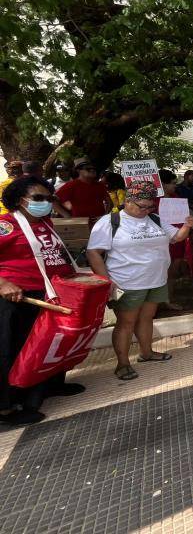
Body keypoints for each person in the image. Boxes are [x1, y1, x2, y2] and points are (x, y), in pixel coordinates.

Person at [86, 181, 193, 381]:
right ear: (128, 201)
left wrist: (187, 226)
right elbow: (93, 252)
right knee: (126, 322)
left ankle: (147, 353)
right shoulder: (110, 221)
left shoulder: (155, 218)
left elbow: (177, 237)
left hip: (156, 280)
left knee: (147, 318)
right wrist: (106, 280)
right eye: (141, 206)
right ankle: (123, 364)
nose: (145, 210)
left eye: (149, 206)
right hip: (126, 283)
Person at [0, 176, 85, 425]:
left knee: (47, 344)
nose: (46, 203)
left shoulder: (45, 222)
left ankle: (49, 386)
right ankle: (6, 407)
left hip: (49, 292)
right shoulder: (6, 225)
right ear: (20, 200)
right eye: (38, 198)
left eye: (49, 198)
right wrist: (3, 283)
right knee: (12, 349)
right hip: (17, 296)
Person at [156, 169, 192, 310]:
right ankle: (155, 302)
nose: (175, 186)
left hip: (177, 239)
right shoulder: (152, 201)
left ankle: (167, 300)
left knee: (172, 271)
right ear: (162, 184)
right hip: (160, 241)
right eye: (172, 183)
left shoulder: (176, 197)